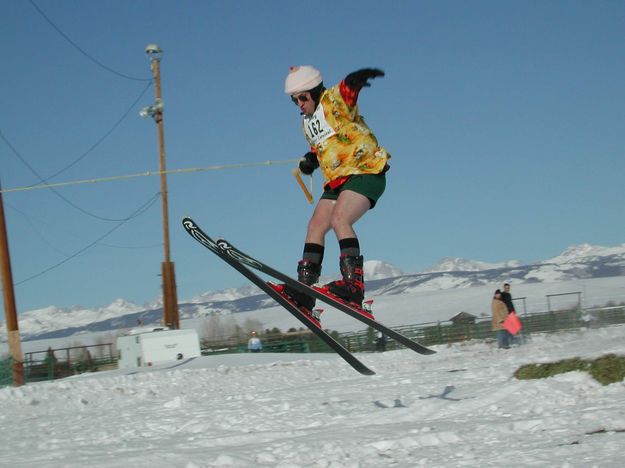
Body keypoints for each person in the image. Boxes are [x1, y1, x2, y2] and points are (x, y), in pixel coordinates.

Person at [282, 65, 390, 316]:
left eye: (302, 97)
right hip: (338, 181)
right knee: (315, 225)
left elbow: (347, 91)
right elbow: (322, 147)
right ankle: (305, 292)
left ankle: (353, 286)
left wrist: (354, 81)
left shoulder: (333, 100)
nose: (299, 104)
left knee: (340, 218)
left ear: (315, 91)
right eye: (294, 100)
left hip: (366, 172)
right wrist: (311, 160)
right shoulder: (307, 123)